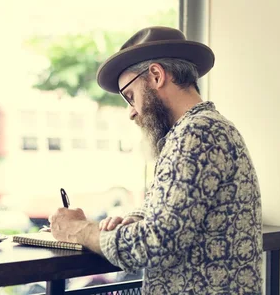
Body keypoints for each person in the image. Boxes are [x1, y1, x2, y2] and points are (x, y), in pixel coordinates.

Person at [48, 27, 262, 294]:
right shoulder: (204, 128)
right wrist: (138, 218)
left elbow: (155, 244)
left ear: (156, 75)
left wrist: (78, 230)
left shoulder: (197, 133)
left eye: (130, 96)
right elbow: (185, 219)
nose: (131, 112)